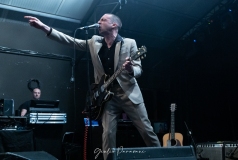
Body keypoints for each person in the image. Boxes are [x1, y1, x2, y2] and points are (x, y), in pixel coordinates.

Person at [24, 13, 161, 159]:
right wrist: (44, 27)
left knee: (146, 130)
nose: (98, 22)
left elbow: (139, 69)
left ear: (114, 25)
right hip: (106, 97)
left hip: (128, 93)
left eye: (103, 20)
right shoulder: (94, 42)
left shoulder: (129, 43)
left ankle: (163, 156)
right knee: (107, 134)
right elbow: (71, 41)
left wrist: (131, 69)